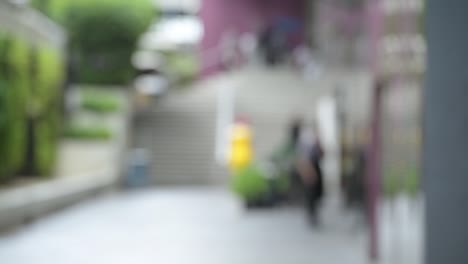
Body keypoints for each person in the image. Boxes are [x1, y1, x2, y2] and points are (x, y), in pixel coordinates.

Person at [297, 124, 324, 226]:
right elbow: (304, 159)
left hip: (315, 167)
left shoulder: (315, 143)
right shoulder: (306, 143)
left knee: (315, 194)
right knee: (310, 195)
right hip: (310, 168)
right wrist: (309, 172)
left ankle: (313, 215)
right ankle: (311, 215)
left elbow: (321, 154)